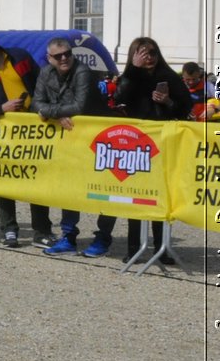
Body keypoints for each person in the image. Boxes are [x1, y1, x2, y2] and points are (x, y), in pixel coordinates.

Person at [0, 26, 53, 249]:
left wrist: (44, 107)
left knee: (38, 180)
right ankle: (10, 230)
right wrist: (1, 107)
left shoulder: (20, 56)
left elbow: (42, 81)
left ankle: (42, 231)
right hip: (3, 136)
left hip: (34, 130)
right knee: (5, 181)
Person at [31, 37, 116, 256]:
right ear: (49, 58)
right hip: (70, 139)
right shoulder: (45, 73)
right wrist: (58, 116)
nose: (64, 58)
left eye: (67, 53)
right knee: (69, 187)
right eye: (58, 56)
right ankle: (68, 236)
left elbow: (79, 105)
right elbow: (36, 103)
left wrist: (51, 112)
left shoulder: (82, 71)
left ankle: (103, 238)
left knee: (105, 188)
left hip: (97, 137)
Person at [115, 36, 188, 264]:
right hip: (136, 144)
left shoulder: (168, 77)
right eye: (143, 53)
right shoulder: (129, 77)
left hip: (164, 143)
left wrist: (167, 102)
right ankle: (134, 247)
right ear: (134, 55)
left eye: (153, 53)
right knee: (135, 197)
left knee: (161, 197)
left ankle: (162, 247)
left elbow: (185, 107)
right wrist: (133, 71)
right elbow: (119, 98)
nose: (149, 58)